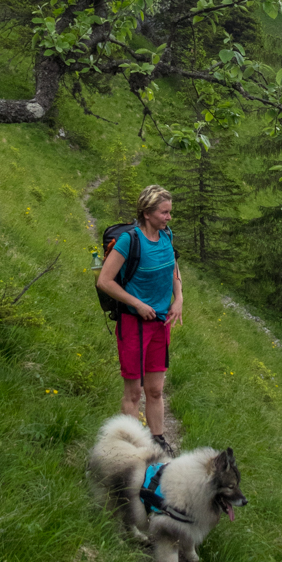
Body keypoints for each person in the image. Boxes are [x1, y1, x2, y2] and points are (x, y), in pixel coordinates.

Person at [96, 184, 183, 457]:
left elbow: (173, 267)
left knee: (155, 389)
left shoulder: (166, 235)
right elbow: (104, 281)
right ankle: (133, 450)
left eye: (169, 212)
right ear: (147, 213)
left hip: (160, 323)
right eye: (164, 212)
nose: (169, 217)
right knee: (134, 392)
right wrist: (137, 303)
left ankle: (157, 440)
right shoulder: (129, 241)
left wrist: (179, 298)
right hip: (134, 324)